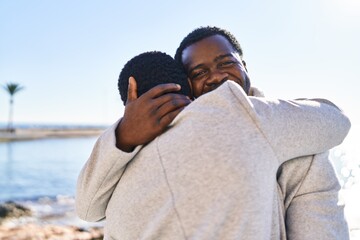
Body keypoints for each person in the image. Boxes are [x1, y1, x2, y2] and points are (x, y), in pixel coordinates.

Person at [76, 27, 351, 239]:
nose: (215, 76)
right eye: (199, 72)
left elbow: (88, 210)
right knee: (311, 153)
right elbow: (336, 120)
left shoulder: (258, 115)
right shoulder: (234, 114)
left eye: (225, 63)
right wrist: (125, 135)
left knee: (305, 152)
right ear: (184, 85)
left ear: (245, 67)